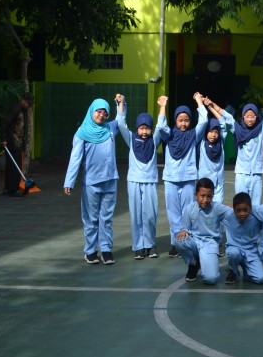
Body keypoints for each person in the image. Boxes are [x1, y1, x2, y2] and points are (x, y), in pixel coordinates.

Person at [63, 96, 123, 265]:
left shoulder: (110, 128)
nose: (102, 115)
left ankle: (106, 250)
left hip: (110, 180)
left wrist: (120, 103)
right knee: (91, 218)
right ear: (92, 111)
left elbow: (120, 119)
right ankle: (90, 251)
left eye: (105, 113)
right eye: (99, 111)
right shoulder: (82, 133)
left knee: (107, 218)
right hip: (91, 182)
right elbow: (75, 158)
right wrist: (69, 181)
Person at [117, 95, 168, 259]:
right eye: (141, 128)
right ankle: (138, 247)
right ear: (137, 128)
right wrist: (121, 104)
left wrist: (162, 106)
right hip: (133, 181)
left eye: (147, 128)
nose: (144, 132)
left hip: (150, 182)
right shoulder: (131, 138)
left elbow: (161, 125)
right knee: (136, 216)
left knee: (150, 215)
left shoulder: (154, 139)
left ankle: (150, 245)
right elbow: (121, 124)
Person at [160, 92, 208, 258]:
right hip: (171, 179)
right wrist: (163, 106)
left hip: (188, 179)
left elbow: (204, 121)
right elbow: (161, 126)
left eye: (186, 120)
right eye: (180, 120)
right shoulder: (169, 135)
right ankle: (176, 243)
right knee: (173, 213)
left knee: (188, 212)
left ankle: (187, 241)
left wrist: (199, 101)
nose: (183, 123)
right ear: (175, 120)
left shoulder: (193, 135)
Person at [175, 178, 227, 284]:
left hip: (210, 243)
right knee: (179, 240)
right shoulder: (189, 209)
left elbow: (233, 211)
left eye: (209, 196)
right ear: (196, 195)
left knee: (211, 279)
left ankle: (204, 260)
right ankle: (193, 263)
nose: (205, 200)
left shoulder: (217, 208)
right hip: (195, 242)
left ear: (213, 196)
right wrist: (183, 230)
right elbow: (185, 228)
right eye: (202, 196)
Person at [228, 96, 263, 206]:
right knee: (240, 205)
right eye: (247, 116)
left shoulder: (260, 130)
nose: (250, 119)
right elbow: (227, 118)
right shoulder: (238, 130)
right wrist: (211, 105)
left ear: (256, 116)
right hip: (241, 173)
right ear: (243, 117)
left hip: (256, 175)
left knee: (256, 206)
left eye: (252, 116)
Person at [223, 192, 263, 285]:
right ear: (234, 210)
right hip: (235, 249)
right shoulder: (228, 217)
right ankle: (233, 271)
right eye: (238, 211)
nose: (242, 213)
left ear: (251, 208)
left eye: (245, 210)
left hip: (251, 252)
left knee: (261, 279)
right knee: (233, 253)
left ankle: (247, 273)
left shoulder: (257, 218)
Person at [0, 92, 34, 196]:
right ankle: (13, 189)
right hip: (13, 142)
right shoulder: (16, 109)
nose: (28, 105)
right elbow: (5, 123)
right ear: (23, 100)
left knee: (11, 165)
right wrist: (4, 138)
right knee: (15, 166)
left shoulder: (22, 110)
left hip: (17, 142)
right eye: (28, 103)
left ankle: (7, 188)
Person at [197, 98, 228, 205]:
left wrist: (210, 107)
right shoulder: (202, 142)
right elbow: (202, 122)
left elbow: (222, 122)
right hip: (205, 183)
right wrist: (199, 102)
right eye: (210, 131)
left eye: (216, 132)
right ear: (206, 132)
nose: (213, 135)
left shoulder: (221, 142)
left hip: (218, 182)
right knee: (204, 206)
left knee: (218, 207)